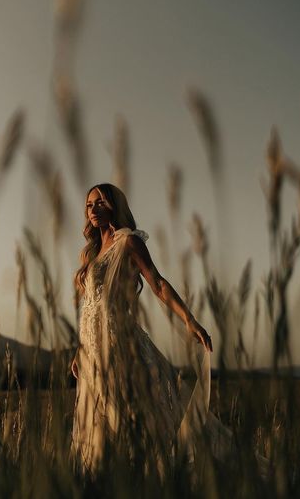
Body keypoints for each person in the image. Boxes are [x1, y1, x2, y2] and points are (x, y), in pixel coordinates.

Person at [70, 183, 214, 475]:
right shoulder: (90, 254)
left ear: (114, 205)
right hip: (92, 352)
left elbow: (158, 284)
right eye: (89, 205)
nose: (93, 209)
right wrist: (80, 349)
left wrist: (189, 319)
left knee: (127, 420)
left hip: (120, 345)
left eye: (100, 202)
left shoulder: (128, 242)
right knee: (97, 430)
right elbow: (89, 308)